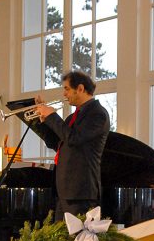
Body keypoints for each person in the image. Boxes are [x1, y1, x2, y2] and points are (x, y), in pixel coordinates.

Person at [33, 71, 110, 221]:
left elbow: (74, 138)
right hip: (65, 192)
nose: (64, 94)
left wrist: (52, 115)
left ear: (80, 88)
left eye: (67, 89)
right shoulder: (72, 117)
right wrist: (41, 121)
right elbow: (56, 144)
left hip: (80, 192)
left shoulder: (97, 113)